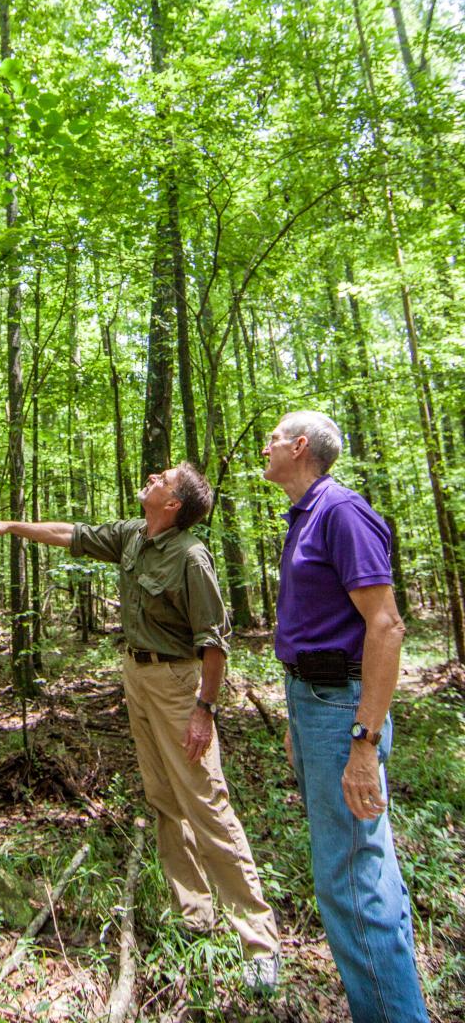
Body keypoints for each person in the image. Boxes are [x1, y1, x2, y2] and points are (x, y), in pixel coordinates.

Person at [0, 462, 281, 991]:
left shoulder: (191, 556)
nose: (153, 476)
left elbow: (215, 643)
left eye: (164, 477)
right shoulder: (135, 535)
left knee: (206, 802)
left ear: (174, 503)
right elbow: (73, 534)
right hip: (137, 676)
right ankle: (194, 917)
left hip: (180, 686)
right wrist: (12, 528)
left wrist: (204, 709)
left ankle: (260, 943)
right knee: (164, 799)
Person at [262, 410, 429, 1023]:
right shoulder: (305, 516)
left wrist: (363, 741)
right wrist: (298, 716)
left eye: (274, 439)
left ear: (300, 447)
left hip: (343, 711)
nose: (265, 446)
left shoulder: (341, 511)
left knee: (349, 883)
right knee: (363, 867)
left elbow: (386, 627)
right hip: (316, 705)